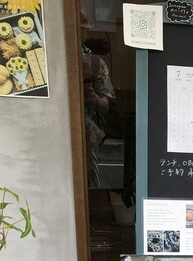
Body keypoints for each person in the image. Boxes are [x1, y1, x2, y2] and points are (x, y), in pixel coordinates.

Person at [80, 7, 115, 187]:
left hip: (88, 134)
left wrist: (94, 100)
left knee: (90, 183)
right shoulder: (54, 59)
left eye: (82, 29)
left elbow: (105, 106)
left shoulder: (95, 63)